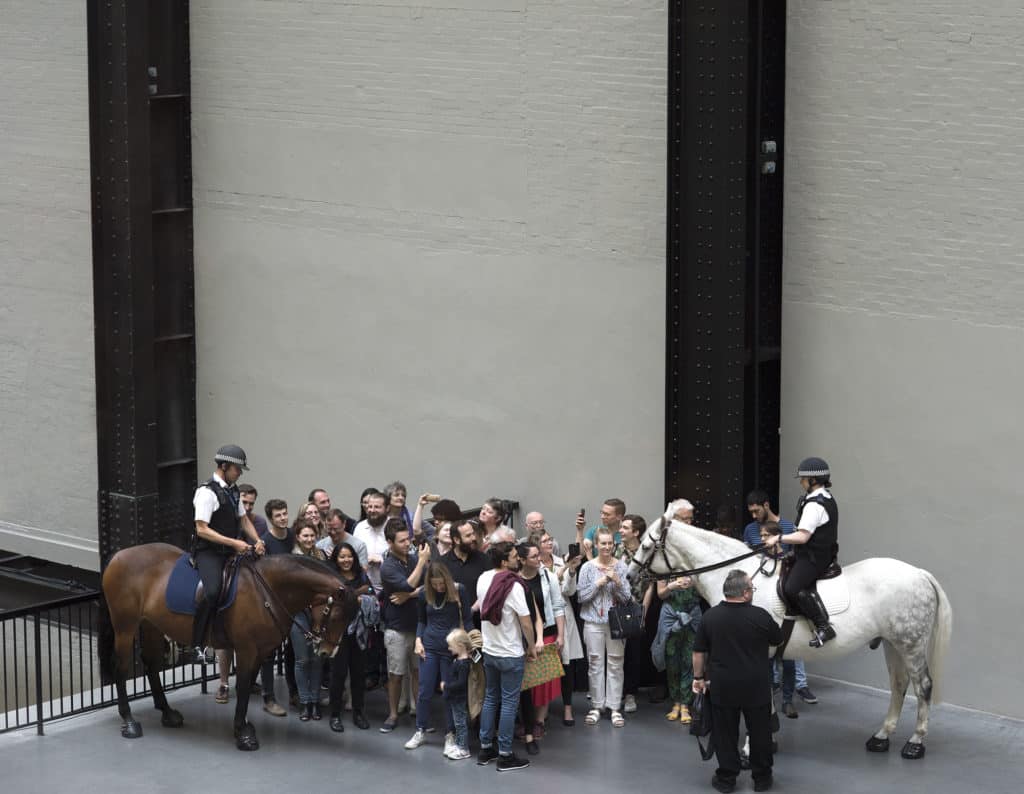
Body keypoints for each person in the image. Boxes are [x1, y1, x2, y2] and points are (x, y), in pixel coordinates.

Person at [692, 570, 783, 793]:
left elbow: (698, 652)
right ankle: (762, 778)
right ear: (744, 593)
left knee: (725, 734)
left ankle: (727, 779)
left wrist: (698, 678)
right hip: (756, 687)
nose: (753, 591)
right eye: (752, 588)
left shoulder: (710, 617)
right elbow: (778, 639)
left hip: (723, 686)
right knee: (760, 733)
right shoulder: (761, 616)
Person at [190, 445, 265, 663]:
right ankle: (197, 645)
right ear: (224, 466)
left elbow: (243, 520)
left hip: (231, 550)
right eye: (237, 469)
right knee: (212, 591)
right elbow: (202, 529)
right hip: (209, 552)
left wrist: (257, 540)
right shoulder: (206, 493)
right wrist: (235, 543)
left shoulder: (233, 491)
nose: (239, 473)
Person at [744, 490, 818, 709]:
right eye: (751, 512)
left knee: (790, 650)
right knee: (767, 653)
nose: (754, 516)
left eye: (757, 510)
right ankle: (772, 693)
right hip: (760, 592)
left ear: (766, 505)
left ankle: (794, 691)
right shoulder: (750, 529)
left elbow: (798, 557)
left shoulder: (788, 528)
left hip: (781, 589)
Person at [763, 457, 838, 647]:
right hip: (817, 552)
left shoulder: (814, 505)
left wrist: (777, 538)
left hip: (814, 557)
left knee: (792, 587)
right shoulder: (822, 497)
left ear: (812, 480)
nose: (801, 482)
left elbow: (803, 537)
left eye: (803, 479)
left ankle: (824, 626)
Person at [476, 541, 536, 772]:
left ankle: (484, 749)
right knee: (510, 702)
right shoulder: (514, 586)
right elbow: (526, 622)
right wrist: (531, 646)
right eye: (513, 556)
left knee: (491, 698)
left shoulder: (483, 578)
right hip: (511, 653)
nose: (518, 559)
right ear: (503, 561)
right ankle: (505, 754)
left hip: (489, 651)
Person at [405, 562, 474, 752]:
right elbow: (421, 620)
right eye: (434, 585)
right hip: (429, 646)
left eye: (442, 584)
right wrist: (418, 640)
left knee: (449, 693)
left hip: (452, 649)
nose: (438, 588)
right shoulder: (423, 594)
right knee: (424, 690)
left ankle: (450, 734)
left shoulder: (459, 590)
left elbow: (467, 619)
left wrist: (471, 642)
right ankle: (420, 729)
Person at [577, 527, 632, 727]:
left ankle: (615, 707)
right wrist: (599, 583)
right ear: (597, 544)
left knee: (616, 664)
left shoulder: (622, 567)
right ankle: (597, 706)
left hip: (616, 623)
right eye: (603, 543)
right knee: (595, 664)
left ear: (614, 545)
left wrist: (617, 582)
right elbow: (581, 597)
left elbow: (627, 598)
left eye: (610, 543)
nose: (607, 547)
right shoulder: (587, 568)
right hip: (593, 623)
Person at [378, 518, 430, 733]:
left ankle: (419, 714)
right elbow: (407, 583)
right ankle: (392, 714)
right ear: (390, 542)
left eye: (408, 539)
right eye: (401, 541)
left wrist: (409, 595)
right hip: (396, 628)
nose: (407, 543)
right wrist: (421, 562)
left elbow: (426, 585)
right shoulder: (388, 566)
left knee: (418, 673)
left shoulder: (411, 558)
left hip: (418, 626)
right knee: (396, 674)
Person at [517, 540, 565, 754]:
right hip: (521, 636)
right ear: (522, 560)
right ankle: (526, 718)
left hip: (546, 633)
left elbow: (558, 606)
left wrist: (561, 635)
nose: (540, 559)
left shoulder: (548, 577)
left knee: (544, 680)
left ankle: (539, 721)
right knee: (527, 681)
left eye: (539, 555)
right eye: (534, 556)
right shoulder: (515, 579)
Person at [327, 542, 373, 731]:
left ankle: (358, 712)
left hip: (359, 632)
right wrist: (354, 597)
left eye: (349, 556)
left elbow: (372, 594)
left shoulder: (362, 575)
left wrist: (362, 598)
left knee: (358, 674)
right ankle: (335, 715)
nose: (346, 560)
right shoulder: (331, 578)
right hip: (339, 632)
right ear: (336, 559)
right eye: (342, 557)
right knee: (338, 674)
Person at [256, 497, 294, 717]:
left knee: (292, 650)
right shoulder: (265, 542)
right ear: (271, 518)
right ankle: (268, 698)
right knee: (269, 652)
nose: (283, 518)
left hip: (292, 601)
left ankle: (295, 694)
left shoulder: (292, 537)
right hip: (272, 603)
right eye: (278, 515)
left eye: (285, 514)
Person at [291, 519, 328, 720]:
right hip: (298, 614)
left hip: (319, 613)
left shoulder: (320, 556)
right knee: (302, 659)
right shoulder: (292, 559)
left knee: (316, 659)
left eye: (312, 535)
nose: (309, 539)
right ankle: (305, 702)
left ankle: (315, 701)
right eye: (305, 535)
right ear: (298, 537)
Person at [654, 573, 700, 724]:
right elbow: (660, 594)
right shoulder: (664, 568)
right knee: (672, 661)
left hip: (692, 615)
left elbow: (705, 589)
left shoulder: (694, 565)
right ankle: (676, 703)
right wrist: (671, 586)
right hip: (671, 616)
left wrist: (693, 582)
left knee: (689, 661)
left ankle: (686, 704)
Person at [549, 534, 584, 726]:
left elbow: (569, 591)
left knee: (567, 665)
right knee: (542, 664)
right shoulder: (533, 564)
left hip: (564, 616)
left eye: (549, 541)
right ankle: (542, 708)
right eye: (544, 541)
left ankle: (568, 708)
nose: (549, 544)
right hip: (544, 620)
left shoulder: (561, 562)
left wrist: (570, 571)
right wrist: (562, 571)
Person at [439, 518, 490, 619]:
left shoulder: (484, 559)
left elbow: (490, 588)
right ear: (457, 540)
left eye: (473, 534)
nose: (473, 538)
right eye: (468, 536)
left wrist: (473, 609)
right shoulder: (441, 563)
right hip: (453, 620)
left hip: (481, 619)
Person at [443, 629, 474, 760]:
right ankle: (459, 744)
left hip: (459, 698)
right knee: (458, 723)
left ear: (460, 646)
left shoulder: (463, 664)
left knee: (460, 723)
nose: (449, 648)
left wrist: (446, 686)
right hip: (455, 698)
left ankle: (464, 748)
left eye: (451, 645)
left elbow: (461, 683)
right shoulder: (458, 660)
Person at [354, 491, 390, 589]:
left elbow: (404, 558)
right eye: (370, 507)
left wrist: (382, 561)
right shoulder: (360, 528)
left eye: (377, 507)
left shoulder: (395, 526)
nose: (372, 510)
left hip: (390, 586)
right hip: (364, 586)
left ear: (387, 508)